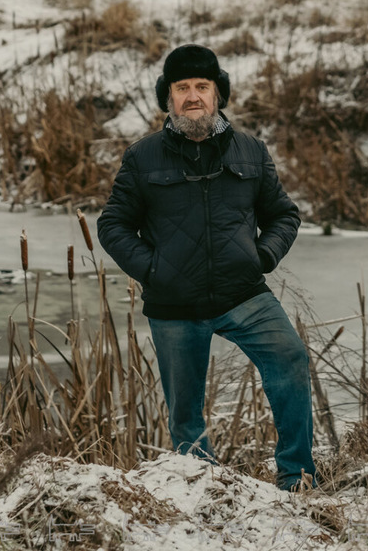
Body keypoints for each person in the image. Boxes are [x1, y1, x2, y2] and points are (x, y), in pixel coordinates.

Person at [97, 43, 315, 490]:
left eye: (202, 86)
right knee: (185, 413)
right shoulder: (143, 157)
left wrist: (263, 255)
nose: (192, 95)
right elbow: (113, 225)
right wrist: (154, 270)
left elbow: (284, 215)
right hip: (174, 303)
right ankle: (205, 489)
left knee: (290, 358)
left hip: (244, 294)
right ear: (168, 97)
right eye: (182, 88)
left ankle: (297, 477)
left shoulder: (251, 152)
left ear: (218, 95)